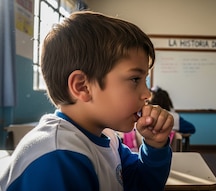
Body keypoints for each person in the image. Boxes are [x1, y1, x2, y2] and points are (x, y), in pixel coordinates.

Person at [0, 11, 174, 191]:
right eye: (135, 79)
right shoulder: (58, 156)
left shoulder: (108, 138)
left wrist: (155, 146)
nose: (147, 94)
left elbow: (141, 185)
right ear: (82, 86)